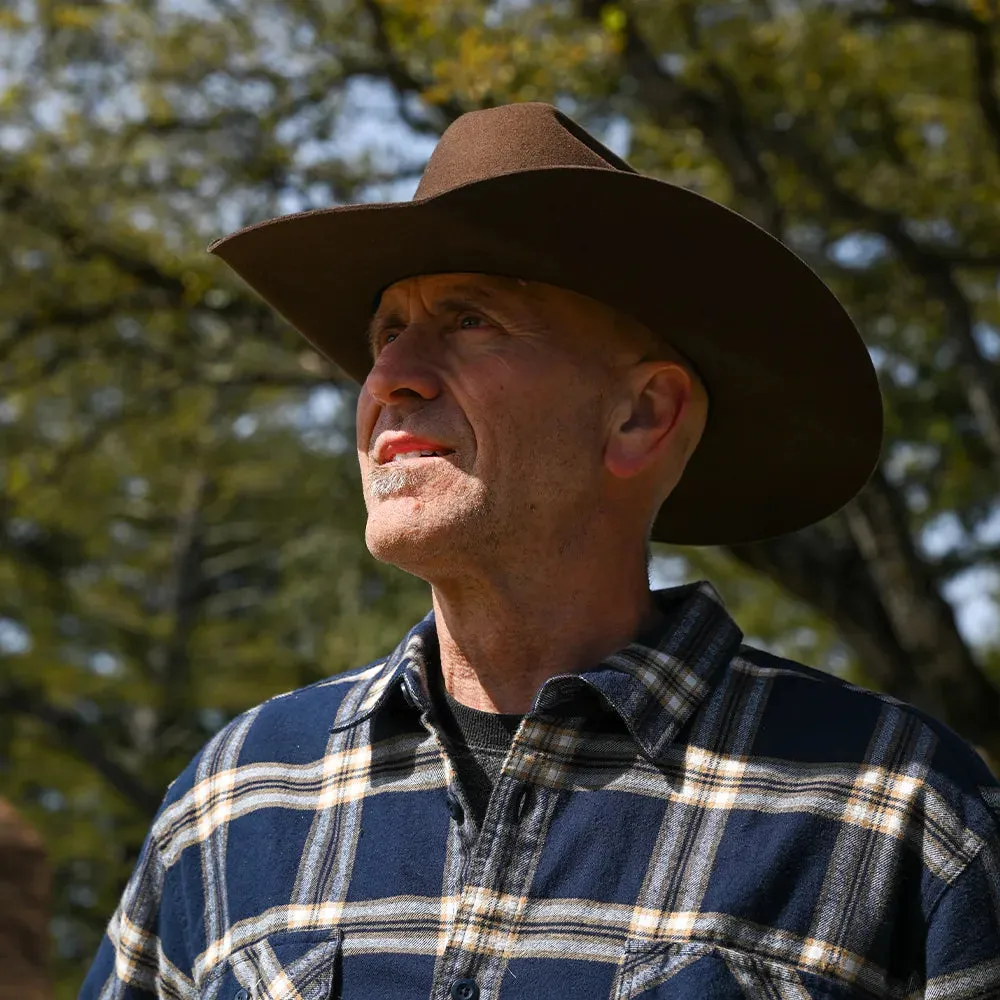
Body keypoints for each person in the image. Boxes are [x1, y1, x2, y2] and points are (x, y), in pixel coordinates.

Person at [81, 102, 1000, 1000]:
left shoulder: (899, 808)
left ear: (641, 415)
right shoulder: (238, 797)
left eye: (470, 319)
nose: (389, 378)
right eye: (386, 332)